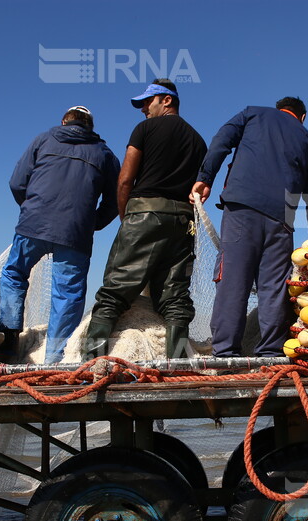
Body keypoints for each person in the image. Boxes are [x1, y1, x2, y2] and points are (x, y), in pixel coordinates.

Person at [192, 97, 308, 357]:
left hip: (242, 207)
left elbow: (222, 140)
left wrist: (205, 178)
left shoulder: (253, 113)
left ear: (279, 109)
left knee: (233, 280)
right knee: (274, 287)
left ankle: (226, 353)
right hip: (282, 218)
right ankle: (272, 353)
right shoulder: (307, 139)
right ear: (303, 117)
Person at [84, 80, 207, 360]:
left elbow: (125, 178)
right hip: (184, 222)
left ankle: (90, 366)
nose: (142, 109)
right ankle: (177, 366)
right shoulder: (198, 140)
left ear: (166, 100)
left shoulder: (145, 129)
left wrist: (126, 216)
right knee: (175, 298)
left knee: (116, 289)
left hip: (144, 213)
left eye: (146, 102)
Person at [0, 106, 120, 364]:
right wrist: (92, 222)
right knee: (67, 294)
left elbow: (16, 182)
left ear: (64, 121)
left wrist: (32, 207)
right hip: (75, 233)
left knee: (14, 274)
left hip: (33, 225)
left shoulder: (42, 139)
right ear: (90, 125)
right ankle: (54, 360)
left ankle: (10, 340)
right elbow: (116, 199)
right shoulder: (104, 154)